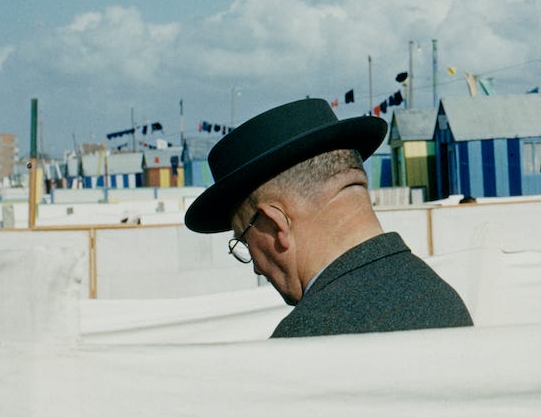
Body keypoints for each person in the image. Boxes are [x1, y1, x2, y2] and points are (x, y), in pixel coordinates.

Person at [184, 98, 473, 338]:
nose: (257, 269)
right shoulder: (442, 297)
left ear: (276, 224)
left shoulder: (310, 335)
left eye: (244, 240)